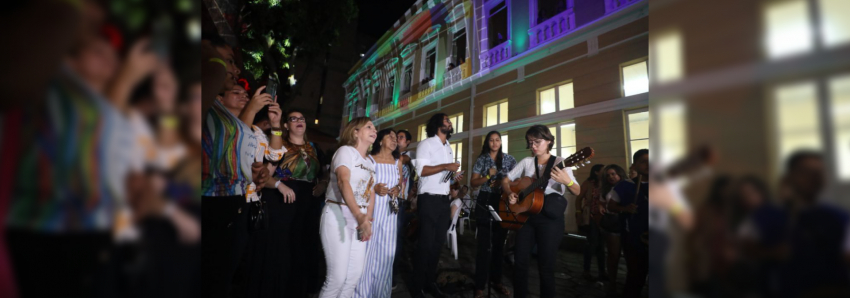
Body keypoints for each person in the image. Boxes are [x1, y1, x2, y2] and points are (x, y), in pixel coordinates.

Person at [502, 125, 580, 298]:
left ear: (549, 141)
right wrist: (510, 194)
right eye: (530, 143)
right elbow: (506, 180)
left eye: (537, 142)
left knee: (546, 266)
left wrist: (566, 181)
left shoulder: (561, 162)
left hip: (550, 220)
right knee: (520, 262)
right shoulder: (527, 162)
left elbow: (577, 190)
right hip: (526, 217)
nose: (533, 146)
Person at [319, 117, 377, 298]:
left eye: (374, 127)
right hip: (338, 213)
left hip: (359, 218)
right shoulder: (345, 152)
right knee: (336, 278)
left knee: (353, 277)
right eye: (368, 126)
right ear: (355, 132)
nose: (374, 129)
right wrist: (359, 215)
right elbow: (344, 181)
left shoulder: (370, 161)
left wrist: (367, 217)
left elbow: (371, 191)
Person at [275, 108, 329, 296]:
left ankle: (307, 289)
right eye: (293, 118)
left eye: (302, 118)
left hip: (311, 197)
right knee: (289, 243)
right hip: (286, 196)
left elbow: (326, 171)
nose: (299, 121)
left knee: (309, 242)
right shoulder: (279, 144)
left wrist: (322, 183)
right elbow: (268, 171)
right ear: (286, 125)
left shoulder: (313, 147)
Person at [410, 113, 462, 298]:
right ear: (437, 124)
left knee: (438, 243)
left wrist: (452, 175)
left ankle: (429, 282)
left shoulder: (448, 146)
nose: (450, 122)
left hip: (443, 200)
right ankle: (416, 288)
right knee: (425, 244)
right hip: (429, 199)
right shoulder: (426, 143)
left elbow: (442, 175)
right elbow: (422, 171)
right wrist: (446, 166)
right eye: (447, 120)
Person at [354, 128, 404, 298]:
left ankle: (381, 293)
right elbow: (361, 185)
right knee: (367, 251)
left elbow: (399, 184)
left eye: (395, 137)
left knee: (386, 253)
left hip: (390, 212)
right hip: (373, 210)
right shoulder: (370, 160)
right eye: (389, 136)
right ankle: (362, 293)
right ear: (380, 141)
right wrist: (374, 188)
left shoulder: (398, 161)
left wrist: (397, 189)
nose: (394, 139)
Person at [470, 131, 517, 298]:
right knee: (484, 246)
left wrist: (505, 184)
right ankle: (480, 285)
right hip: (485, 200)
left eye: (497, 140)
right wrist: (487, 176)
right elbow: (473, 182)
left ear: (501, 142)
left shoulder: (510, 159)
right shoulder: (482, 159)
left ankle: (497, 281)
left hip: (503, 200)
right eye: (491, 140)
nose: (495, 143)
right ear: (487, 142)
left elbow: (517, 180)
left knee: (499, 245)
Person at [608, 149, 651, 298]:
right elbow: (611, 206)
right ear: (634, 166)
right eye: (643, 161)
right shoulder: (624, 186)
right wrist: (625, 208)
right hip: (635, 239)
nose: (648, 164)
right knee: (636, 276)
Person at [597, 164, 629, 295]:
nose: (611, 177)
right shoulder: (606, 189)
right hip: (612, 222)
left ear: (620, 174)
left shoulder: (628, 185)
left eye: (613, 174)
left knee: (631, 255)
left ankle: (631, 283)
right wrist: (601, 206)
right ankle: (612, 282)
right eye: (608, 175)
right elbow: (601, 202)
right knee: (613, 255)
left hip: (628, 222)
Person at [576, 164, 607, 282]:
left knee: (601, 245)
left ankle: (602, 271)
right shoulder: (589, 183)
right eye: (603, 170)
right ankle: (586, 270)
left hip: (604, 218)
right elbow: (579, 198)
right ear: (596, 172)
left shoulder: (606, 183)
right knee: (592, 243)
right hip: (591, 217)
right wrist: (579, 212)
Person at [393, 129, 415, 289]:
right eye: (395, 137)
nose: (397, 139)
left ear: (407, 142)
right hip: (384, 199)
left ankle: (392, 274)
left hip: (399, 202)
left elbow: (405, 159)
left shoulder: (410, 155)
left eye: (401, 137)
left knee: (397, 238)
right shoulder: (389, 154)